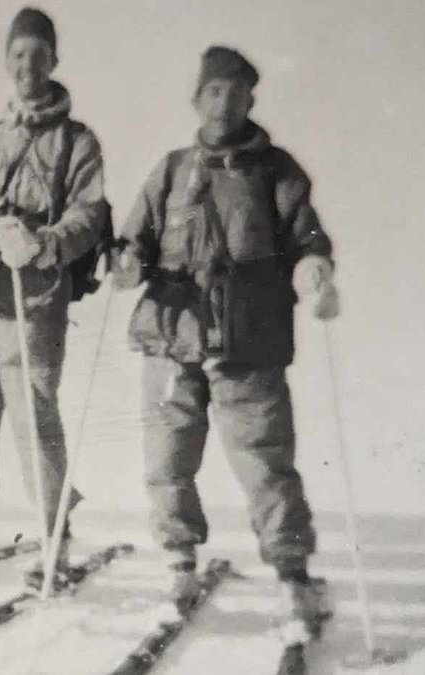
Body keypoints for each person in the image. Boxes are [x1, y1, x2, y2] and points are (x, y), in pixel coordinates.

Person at [113, 45, 337, 633]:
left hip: (249, 335)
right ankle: (179, 565)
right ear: (197, 98)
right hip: (172, 333)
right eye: (214, 90)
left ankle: (294, 579)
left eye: (236, 92)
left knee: (265, 461)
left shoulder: (276, 171)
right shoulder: (170, 170)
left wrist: (314, 270)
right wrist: (127, 261)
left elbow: (307, 237)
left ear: (251, 100)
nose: (224, 103)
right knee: (167, 458)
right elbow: (134, 238)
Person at [0, 7, 111, 583]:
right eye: (17, 55)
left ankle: (55, 536)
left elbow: (88, 216)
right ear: (5, 61)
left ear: (54, 60)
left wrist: (41, 243)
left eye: (37, 54)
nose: (27, 66)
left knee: (33, 409)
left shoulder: (77, 143)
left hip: (34, 296)